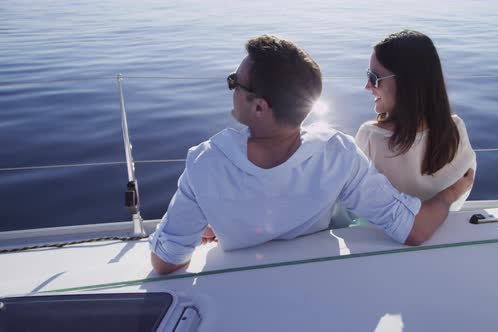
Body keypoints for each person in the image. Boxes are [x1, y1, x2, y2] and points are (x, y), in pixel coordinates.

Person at [149, 35, 474, 275]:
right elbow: (413, 230)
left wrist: (211, 213)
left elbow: (167, 261)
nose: (232, 87)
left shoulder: (204, 164)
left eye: (235, 83)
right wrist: (447, 197)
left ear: (260, 106)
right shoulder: (338, 153)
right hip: (319, 280)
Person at [356, 30, 476, 211]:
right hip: (444, 226)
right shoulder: (456, 129)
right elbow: (465, 185)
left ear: (406, 82)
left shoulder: (370, 137)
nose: (367, 86)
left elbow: (353, 201)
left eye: (374, 78)